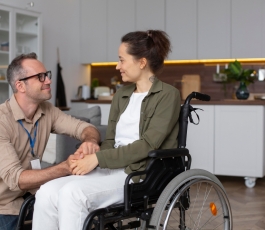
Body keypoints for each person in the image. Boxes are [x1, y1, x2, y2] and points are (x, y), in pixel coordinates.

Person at [32, 30, 181, 230]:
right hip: (109, 167)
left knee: (72, 194)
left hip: (139, 173)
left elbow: (148, 145)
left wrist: (97, 159)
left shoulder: (168, 95)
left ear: (142, 62)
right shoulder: (122, 95)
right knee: (46, 191)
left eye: (122, 60)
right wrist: (91, 154)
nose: (117, 66)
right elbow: (110, 140)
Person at [0, 53, 100, 230]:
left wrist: (90, 141)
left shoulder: (48, 111)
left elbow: (84, 128)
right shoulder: (2, 121)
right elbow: (18, 179)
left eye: (47, 75)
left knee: (84, 218)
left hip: (33, 197)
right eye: (40, 77)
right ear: (20, 85)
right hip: (4, 206)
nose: (48, 80)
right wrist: (65, 167)